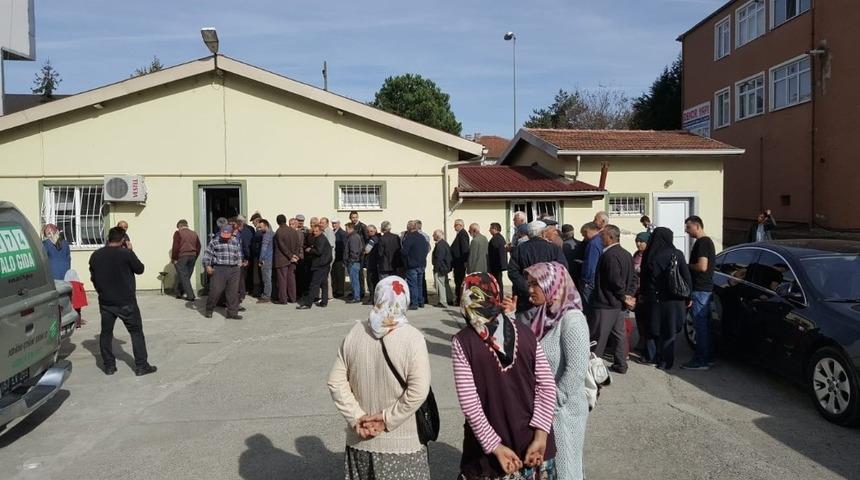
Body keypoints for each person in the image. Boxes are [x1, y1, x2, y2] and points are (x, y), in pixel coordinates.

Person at [452, 273, 558, 480]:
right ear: (495, 295)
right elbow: (547, 386)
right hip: (533, 445)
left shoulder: (463, 342)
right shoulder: (526, 332)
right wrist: (541, 435)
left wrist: (495, 446)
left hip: (490, 451)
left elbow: (470, 404)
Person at [327, 276, 432, 480]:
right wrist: (386, 419)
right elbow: (419, 390)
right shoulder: (413, 338)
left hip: (360, 441)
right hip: (403, 444)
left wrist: (356, 417)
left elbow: (335, 382)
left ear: (377, 297)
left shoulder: (355, 333)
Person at [524, 261, 589, 480]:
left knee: (566, 468)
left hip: (562, 412)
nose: (530, 289)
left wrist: (550, 405)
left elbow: (576, 371)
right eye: (529, 283)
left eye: (536, 284)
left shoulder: (572, 320)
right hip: (545, 410)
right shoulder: (545, 315)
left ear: (552, 285)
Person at [89, 227, 156, 376]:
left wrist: (101, 291)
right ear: (123, 240)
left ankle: (109, 366)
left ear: (108, 239)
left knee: (106, 334)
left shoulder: (95, 255)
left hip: (106, 302)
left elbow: (93, 278)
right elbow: (140, 269)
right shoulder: (126, 254)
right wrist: (131, 251)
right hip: (126, 302)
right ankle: (141, 366)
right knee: (136, 332)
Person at [638, 227, 691, 369]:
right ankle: (665, 361)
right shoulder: (677, 254)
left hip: (653, 299)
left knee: (652, 329)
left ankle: (650, 356)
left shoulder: (649, 254)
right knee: (669, 330)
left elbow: (643, 279)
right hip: (673, 300)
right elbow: (686, 277)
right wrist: (689, 296)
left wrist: (642, 295)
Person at [590, 225, 636, 374]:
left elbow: (614, 280)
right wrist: (628, 295)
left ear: (610, 237)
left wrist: (624, 296)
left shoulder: (610, 255)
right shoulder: (626, 254)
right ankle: (621, 363)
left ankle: (593, 369)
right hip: (619, 303)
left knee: (599, 337)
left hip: (607, 303)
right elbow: (634, 278)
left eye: (602, 235)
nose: (600, 238)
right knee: (619, 335)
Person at [507, 220, 566, 324]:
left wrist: (528, 288)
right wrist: (548, 289)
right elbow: (562, 270)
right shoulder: (553, 249)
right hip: (549, 298)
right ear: (543, 233)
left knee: (526, 331)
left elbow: (512, 272)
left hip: (526, 299)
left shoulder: (520, 249)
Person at [682, 216, 717, 370]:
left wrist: (687, 266)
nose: (686, 231)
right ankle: (708, 357)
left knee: (700, 326)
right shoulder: (707, 242)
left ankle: (700, 360)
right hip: (705, 289)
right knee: (704, 325)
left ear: (697, 226)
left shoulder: (703, 243)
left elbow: (702, 266)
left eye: (688, 227)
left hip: (701, 289)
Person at [202, 225, 244, 320]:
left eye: (227, 235)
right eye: (223, 234)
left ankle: (232, 313)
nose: (224, 237)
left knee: (233, 292)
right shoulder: (214, 242)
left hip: (234, 269)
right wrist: (207, 266)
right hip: (219, 269)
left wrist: (239, 263)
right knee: (216, 291)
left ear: (231, 233)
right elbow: (207, 255)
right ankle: (209, 309)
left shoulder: (235, 242)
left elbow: (239, 254)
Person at [298, 223, 333, 309]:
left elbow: (319, 251)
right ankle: (324, 302)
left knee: (314, 284)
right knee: (324, 283)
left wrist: (310, 249)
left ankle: (308, 303)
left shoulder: (321, 239)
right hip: (324, 264)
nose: (314, 233)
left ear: (321, 231)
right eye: (314, 231)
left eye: (317, 231)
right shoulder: (320, 238)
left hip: (320, 265)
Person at [401, 221, 430, 310]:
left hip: (412, 265)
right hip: (421, 264)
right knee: (419, 284)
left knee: (413, 284)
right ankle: (421, 301)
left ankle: (414, 303)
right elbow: (427, 249)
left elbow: (404, 251)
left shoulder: (409, 237)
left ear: (409, 228)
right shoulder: (422, 237)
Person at [274, 215, 303, 304]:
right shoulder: (293, 231)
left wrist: (290, 256)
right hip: (293, 259)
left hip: (283, 259)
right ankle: (293, 298)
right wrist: (295, 256)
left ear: (277, 222)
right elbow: (298, 244)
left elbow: (282, 247)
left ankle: (283, 299)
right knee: (291, 279)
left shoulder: (279, 231)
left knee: (282, 280)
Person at [170, 219, 201, 302]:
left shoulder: (178, 233)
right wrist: (195, 256)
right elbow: (199, 246)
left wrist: (174, 258)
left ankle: (190, 295)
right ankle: (179, 293)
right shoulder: (194, 233)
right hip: (193, 256)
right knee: (186, 276)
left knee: (184, 276)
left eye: (178, 227)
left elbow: (176, 246)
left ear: (180, 226)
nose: (178, 229)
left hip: (182, 256)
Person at [632, 231, 650, 353]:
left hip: (646, 291)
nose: (638, 244)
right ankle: (641, 339)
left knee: (646, 318)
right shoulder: (636, 255)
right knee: (638, 317)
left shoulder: (650, 255)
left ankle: (647, 343)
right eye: (637, 241)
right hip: (636, 290)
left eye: (642, 242)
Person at [580, 222, 603, 307]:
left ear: (587, 231)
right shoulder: (601, 240)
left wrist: (587, 281)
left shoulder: (593, 244)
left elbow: (591, 265)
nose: (584, 238)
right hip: (598, 278)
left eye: (584, 234)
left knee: (589, 307)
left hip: (590, 281)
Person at [349, 211, 370, 298]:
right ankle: (355, 291)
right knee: (353, 274)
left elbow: (367, 239)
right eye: (353, 217)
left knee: (360, 273)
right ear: (350, 218)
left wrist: (365, 251)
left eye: (356, 217)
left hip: (361, 254)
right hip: (353, 252)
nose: (354, 219)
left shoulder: (362, 226)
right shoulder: (350, 226)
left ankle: (361, 291)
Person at [431, 229, 453, 308]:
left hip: (440, 268)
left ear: (437, 236)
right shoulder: (444, 243)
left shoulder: (440, 245)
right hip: (444, 267)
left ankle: (443, 302)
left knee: (440, 285)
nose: (433, 236)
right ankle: (449, 299)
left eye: (434, 235)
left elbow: (439, 258)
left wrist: (436, 269)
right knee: (445, 283)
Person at [451, 219, 470, 306]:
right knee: (458, 281)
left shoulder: (462, 234)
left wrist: (464, 261)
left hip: (460, 263)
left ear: (460, 225)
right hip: (458, 262)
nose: (454, 227)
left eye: (456, 225)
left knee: (459, 282)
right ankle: (458, 299)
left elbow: (464, 249)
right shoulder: (460, 234)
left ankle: (460, 300)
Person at [344, 222, 365, 304]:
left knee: (354, 280)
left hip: (353, 262)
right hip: (354, 262)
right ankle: (355, 295)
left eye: (346, 229)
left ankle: (356, 297)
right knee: (354, 280)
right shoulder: (353, 236)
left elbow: (354, 251)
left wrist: (351, 261)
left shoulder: (353, 237)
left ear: (350, 228)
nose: (346, 230)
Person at [234, 215, 253, 301]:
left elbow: (244, 245)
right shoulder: (250, 229)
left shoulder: (240, 233)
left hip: (243, 257)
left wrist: (246, 257)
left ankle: (241, 294)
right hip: (247, 255)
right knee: (244, 276)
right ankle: (244, 292)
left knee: (241, 277)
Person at [256, 219, 275, 303]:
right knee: (270, 278)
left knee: (266, 279)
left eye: (261, 227)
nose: (259, 229)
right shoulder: (273, 233)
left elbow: (263, 249)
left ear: (266, 226)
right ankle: (270, 294)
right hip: (271, 259)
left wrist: (260, 260)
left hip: (266, 260)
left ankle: (266, 296)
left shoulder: (266, 235)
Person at [487, 222, 508, 296]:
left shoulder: (496, 239)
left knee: (496, 282)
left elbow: (496, 254)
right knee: (498, 282)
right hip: (498, 266)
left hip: (495, 266)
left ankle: (498, 298)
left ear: (495, 229)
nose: (489, 230)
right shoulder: (499, 238)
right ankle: (499, 297)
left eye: (490, 228)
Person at [364, 225, 381, 304]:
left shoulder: (372, 239)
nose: (369, 233)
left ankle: (372, 299)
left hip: (371, 263)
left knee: (370, 281)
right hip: (377, 263)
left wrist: (363, 250)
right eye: (368, 231)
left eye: (371, 231)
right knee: (376, 281)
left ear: (375, 230)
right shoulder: (379, 237)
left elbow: (367, 250)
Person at [321, 217, 336, 301]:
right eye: (320, 222)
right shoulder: (324, 231)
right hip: (325, 256)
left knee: (327, 276)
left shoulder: (329, 231)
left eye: (323, 223)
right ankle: (326, 295)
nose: (321, 224)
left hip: (328, 256)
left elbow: (330, 245)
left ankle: (329, 296)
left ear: (327, 223)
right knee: (326, 276)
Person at [332, 219, 347, 298]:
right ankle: (335, 289)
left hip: (340, 257)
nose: (334, 225)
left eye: (335, 223)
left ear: (339, 223)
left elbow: (344, 247)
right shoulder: (332, 232)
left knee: (340, 275)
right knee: (334, 275)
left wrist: (344, 259)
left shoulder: (342, 233)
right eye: (333, 223)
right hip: (334, 257)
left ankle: (340, 291)